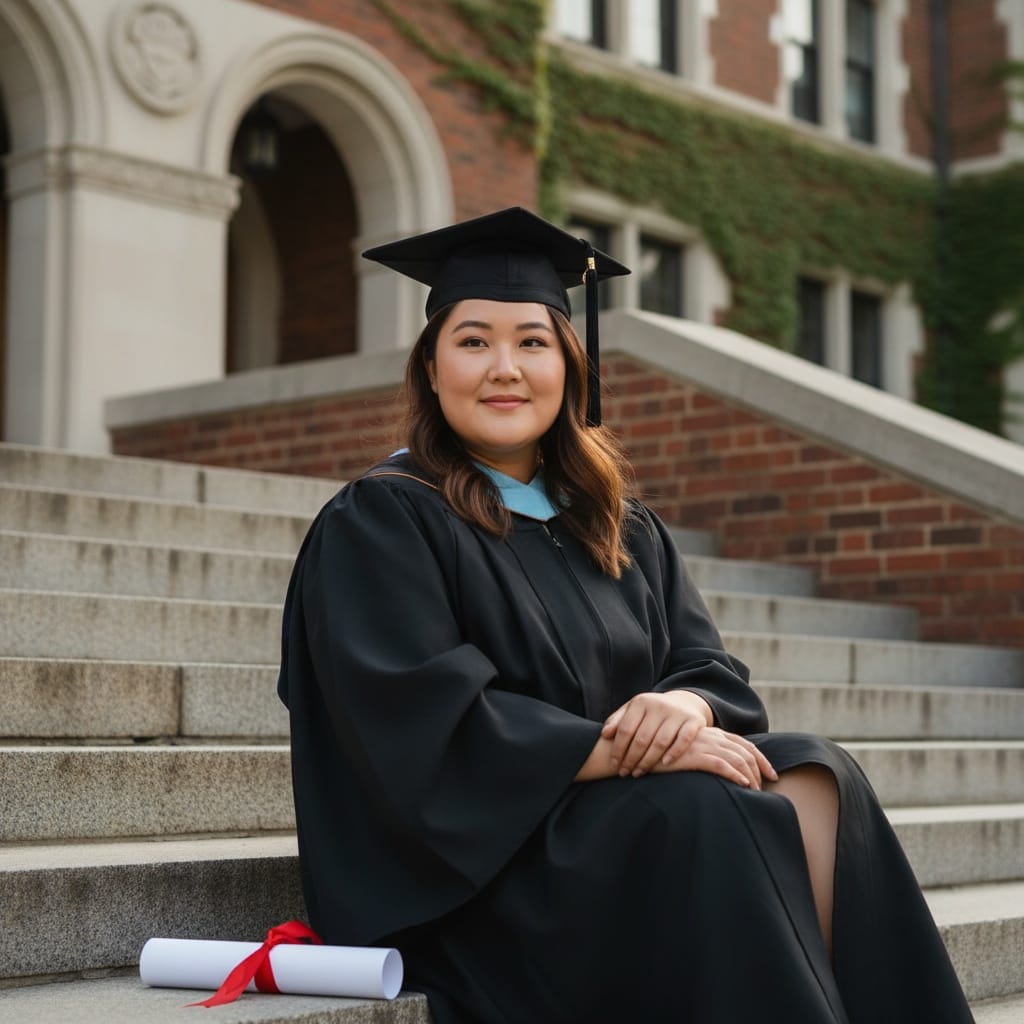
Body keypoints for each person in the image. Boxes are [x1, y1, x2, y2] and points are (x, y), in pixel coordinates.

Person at [277, 207, 974, 1023]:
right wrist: (629, 752)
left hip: (622, 829)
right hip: (481, 877)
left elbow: (709, 670)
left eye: (532, 342)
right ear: (431, 370)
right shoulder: (385, 519)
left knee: (818, 774)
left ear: (570, 367)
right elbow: (416, 720)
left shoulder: (618, 525)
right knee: (704, 807)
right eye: (473, 341)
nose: (505, 367)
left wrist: (681, 708)